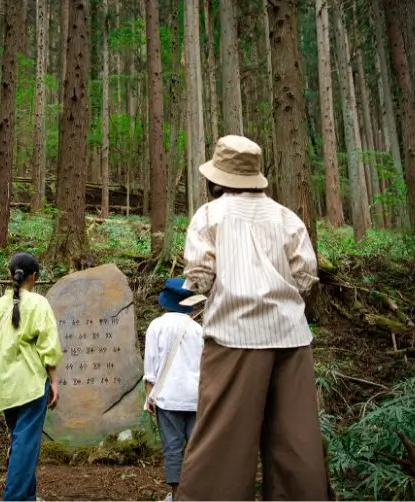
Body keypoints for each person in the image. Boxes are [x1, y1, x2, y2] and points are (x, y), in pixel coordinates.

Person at [176, 135, 328, 501]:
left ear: (217, 178)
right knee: (297, 442)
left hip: (234, 337)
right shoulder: (285, 216)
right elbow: (306, 276)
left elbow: (199, 276)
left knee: (223, 444)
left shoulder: (210, 215)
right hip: (292, 339)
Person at [0, 252, 62, 501]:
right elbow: (49, 347)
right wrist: (55, 381)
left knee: (22, 444)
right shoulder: (39, 304)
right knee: (25, 447)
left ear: (9, 275)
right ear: (34, 277)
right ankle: (14, 498)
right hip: (32, 386)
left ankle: (27, 497)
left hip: (6, 387)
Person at [143, 278, 204, 502]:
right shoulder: (198, 329)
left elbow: (151, 367)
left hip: (167, 397)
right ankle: (197, 494)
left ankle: (178, 496)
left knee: (172, 448)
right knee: (196, 449)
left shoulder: (156, 326)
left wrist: (149, 396)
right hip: (196, 397)